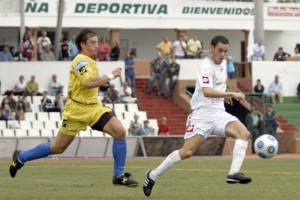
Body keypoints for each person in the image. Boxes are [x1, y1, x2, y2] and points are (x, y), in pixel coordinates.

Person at [8, 28, 139, 187]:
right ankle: (21, 157)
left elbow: (91, 84)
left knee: (120, 132)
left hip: (94, 108)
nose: (96, 46)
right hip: (77, 111)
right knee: (57, 147)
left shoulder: (90, 60)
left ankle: (118, 175)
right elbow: (89, 82)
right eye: (92, 43)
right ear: (82, 44)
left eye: (97, 42)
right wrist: (111, 76)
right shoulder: (80, 61)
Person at [143, 35, 252, 197]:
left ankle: (233, 173)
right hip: (202, 115)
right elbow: (207, 91)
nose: (223, 55)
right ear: (212, 48)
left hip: (219, 113)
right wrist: (231, 93)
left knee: (244, 134)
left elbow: (219, 82)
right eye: (220, 51)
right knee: (187, 152)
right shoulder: (205, 67)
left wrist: (224, 93)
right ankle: (152, 175)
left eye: (226, 52)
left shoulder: (222, 64)